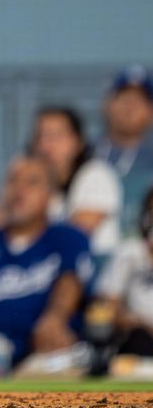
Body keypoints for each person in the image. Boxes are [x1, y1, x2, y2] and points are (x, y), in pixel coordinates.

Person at [0, 157, 94, 374]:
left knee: (61, 367)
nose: (19, 190)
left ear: (50, 194)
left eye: (32, 182)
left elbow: (70, 282)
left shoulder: (68, 238)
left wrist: (55, 318)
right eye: (12, 181)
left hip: (47, 354)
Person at [28, 106, 122, 256]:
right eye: (40, 136)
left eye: (56, 136)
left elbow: (75, 233)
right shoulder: (36, 187)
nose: (46, 146)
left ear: (77, 142)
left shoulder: (96, 174)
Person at [92, 188, 153, 361]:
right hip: (140, 341)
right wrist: (135, 321)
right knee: (138, 338)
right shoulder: (130, 253)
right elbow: (106, 307)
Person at [95, 66, 153, 236]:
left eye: (139, 100)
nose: (130, 106)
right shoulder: (83, 154)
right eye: (123, 98)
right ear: (107, 105)